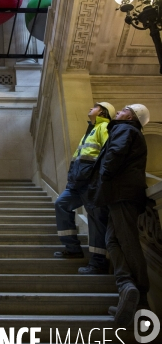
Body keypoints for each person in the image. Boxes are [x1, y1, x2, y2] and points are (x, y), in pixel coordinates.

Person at [87, 104, 150, 327]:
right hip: (118, 195)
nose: (120, 111)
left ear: (131, 116)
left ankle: (141, 298)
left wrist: (103, 180)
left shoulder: (125, 129)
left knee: (127, 241)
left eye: (124, 109)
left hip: (122, 193)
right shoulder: (127, 130)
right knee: (112, 240)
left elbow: (113, 156)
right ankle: (126, 287)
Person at [54, 101, 116, 274]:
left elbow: (108, 154)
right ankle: (73, 249)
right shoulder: (89, 130)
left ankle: (98, 262)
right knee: (61, 204)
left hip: (91, 183)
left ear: (103, 113)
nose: (91, 107)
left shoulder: (104, 127)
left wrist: (99, 180)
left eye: (95, 106)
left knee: (96, 219)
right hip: (76, 183)